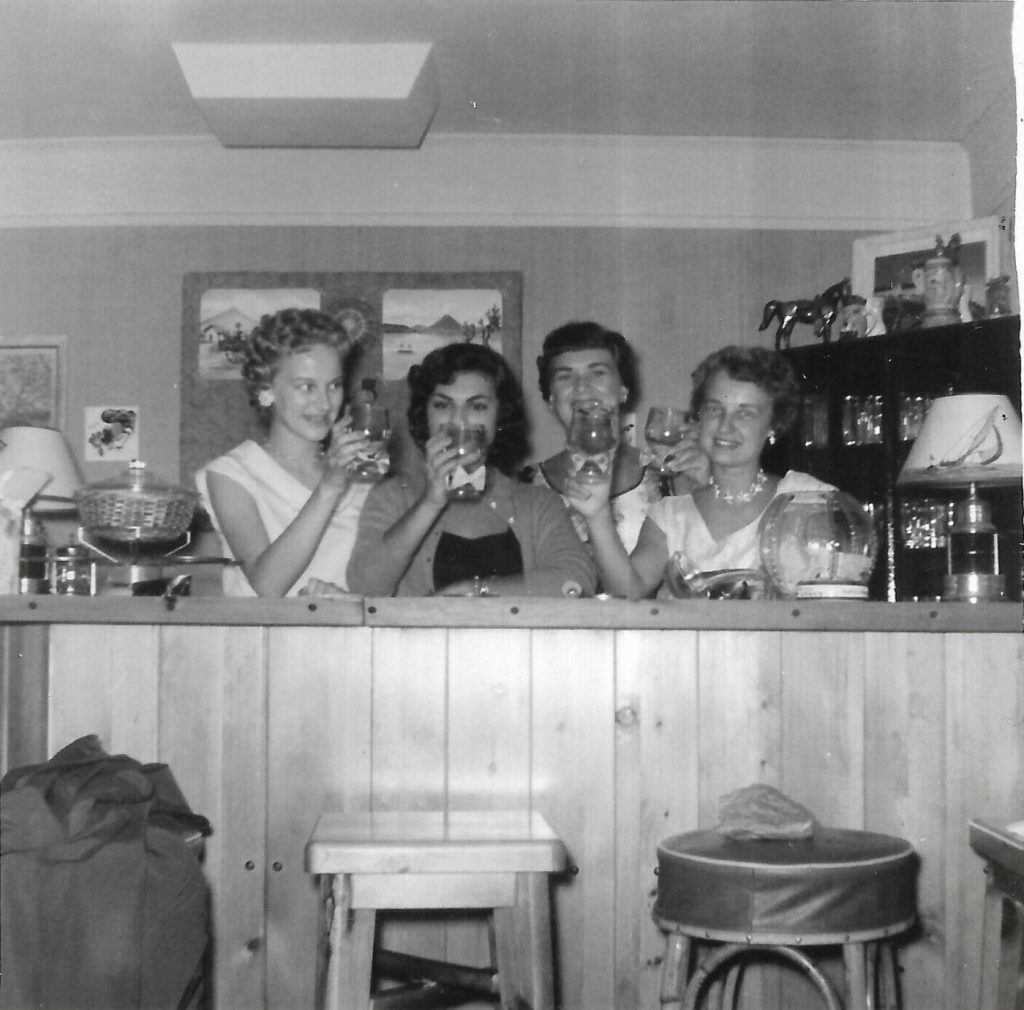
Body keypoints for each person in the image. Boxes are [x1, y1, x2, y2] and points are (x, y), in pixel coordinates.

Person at [566, 345, 832, 599]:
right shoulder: (670, 516)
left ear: (773, 425)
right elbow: (628, 592)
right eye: (715, 409)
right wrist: (597, 514)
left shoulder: (805, 499)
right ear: (699, 416)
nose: (725, 426)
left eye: (746, 413)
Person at [347, 342, 596, 598]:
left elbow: (577, 581)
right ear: (426, 415)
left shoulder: (537, 504)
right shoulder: (393, 497)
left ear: (499, 417)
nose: (459, 420)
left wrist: (476, 592)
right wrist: (430, 503)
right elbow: (365, 586)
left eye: (477, 406)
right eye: (443, 405)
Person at [195, 308, 372, 597]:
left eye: (334, 386)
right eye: (306, 387)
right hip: (262, 640)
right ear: (266, 389)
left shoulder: (362, 473)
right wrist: (330, 486)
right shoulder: (232, 474)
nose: (324, 403)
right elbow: (267, 585)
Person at [528, 321, 709, 553]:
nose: (582, 387)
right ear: (551, 398)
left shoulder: (672, 478)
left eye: (598, 373)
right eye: (565, 377)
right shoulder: (526, 485)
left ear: (623, 390)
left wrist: (706, 484)